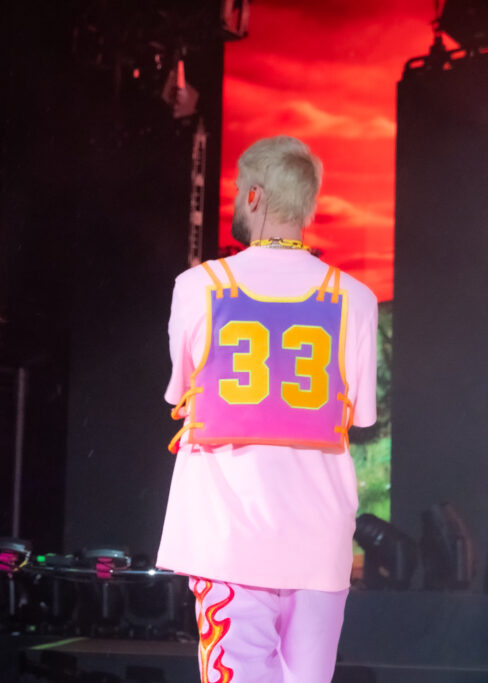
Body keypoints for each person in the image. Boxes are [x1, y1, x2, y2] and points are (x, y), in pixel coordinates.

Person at [158, 136, 378, 683]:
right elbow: (362, 416)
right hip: (318, 539)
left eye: (236, 191)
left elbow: (180, 392)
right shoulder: (357, 297)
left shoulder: (196, 287)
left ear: (254, 196)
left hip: (228, 535)